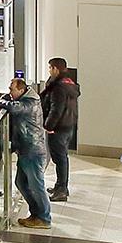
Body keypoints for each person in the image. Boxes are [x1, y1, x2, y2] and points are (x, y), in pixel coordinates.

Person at [4, 78, 52, 227]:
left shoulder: (30, 102)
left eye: (12, 89)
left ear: (21, 90)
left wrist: (2, 103)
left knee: (36, 185)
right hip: (26, 149)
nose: (10, 92)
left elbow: (14, 108)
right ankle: (36, 213)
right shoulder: (28, 99)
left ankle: (44, 218)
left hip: (33, 150)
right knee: (21, 183)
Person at [41, 59, 80, 203]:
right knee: (62, 157)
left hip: (59, 127)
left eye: (50, 68)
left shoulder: (58, 87)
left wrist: (48, 126)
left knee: (60, 158)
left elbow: (56, 109)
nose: (49, 71)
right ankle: (60, 186)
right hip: (68, 124)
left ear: (56, 69)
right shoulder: (69, 83)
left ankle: (62, 189)